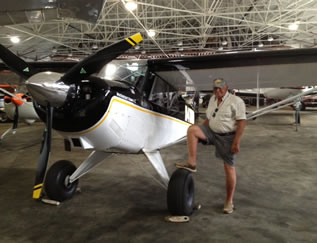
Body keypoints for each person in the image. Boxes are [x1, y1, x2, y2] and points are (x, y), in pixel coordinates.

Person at [176, 78, 246, 214]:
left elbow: (242, 122)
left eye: (220, 88)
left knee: (229, 168)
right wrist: (201, 130)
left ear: (226, 88)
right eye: (215, 88)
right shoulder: (213, 100)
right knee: (192, 130)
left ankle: (229, 201)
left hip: (227, 137)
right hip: (212, 132)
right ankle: (192, 163)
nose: (217, 90)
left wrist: (236, 142)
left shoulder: (236, 101)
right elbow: (210, 118)